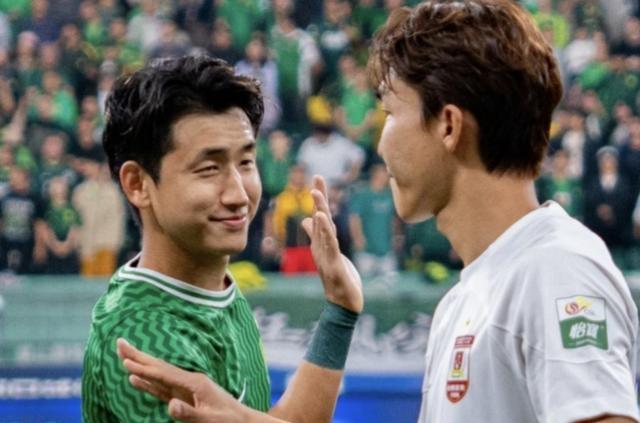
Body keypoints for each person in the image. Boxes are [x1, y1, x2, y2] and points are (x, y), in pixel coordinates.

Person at [117, 2, 639, 423]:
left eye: (389, 112)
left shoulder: (555, 270)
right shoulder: (470, 295)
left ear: (449, 126)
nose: (380, 139)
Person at [83, 55, 363, 422]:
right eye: (209, 168)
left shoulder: (213, 288)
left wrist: (340, 309)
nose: (239, 194)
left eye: (246, 162)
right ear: (138, 184)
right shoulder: (145, 340)